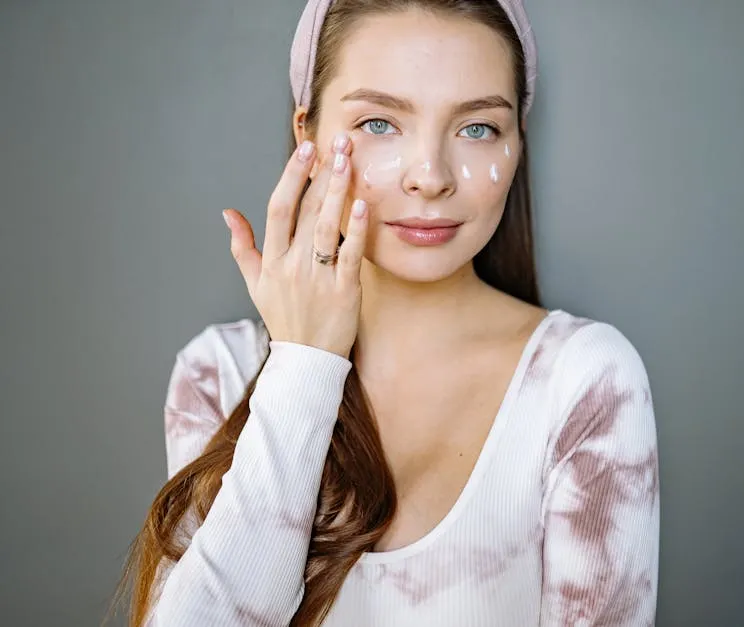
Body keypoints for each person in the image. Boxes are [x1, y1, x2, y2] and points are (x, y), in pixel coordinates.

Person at [113, 0, 660, 624]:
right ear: (308, 138)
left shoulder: (582, 380)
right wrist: (303, 369)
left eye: (477, 127)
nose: (430, 177)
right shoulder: (218, 373)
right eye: (379, 123)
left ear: (516, 146)